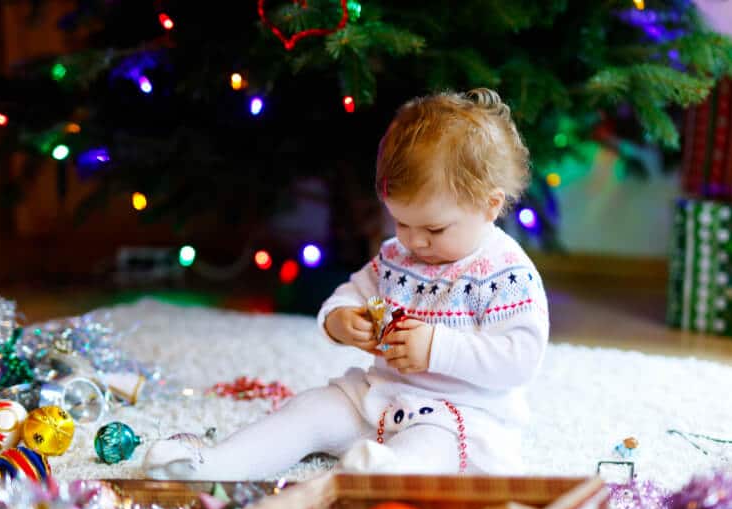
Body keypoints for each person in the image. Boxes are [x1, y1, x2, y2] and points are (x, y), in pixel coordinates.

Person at [143, 88, 549, 479]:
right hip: (378, 395)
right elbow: (356, 289)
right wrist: (339, 319)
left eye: (434, 228)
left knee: (431, 449)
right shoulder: (398, 255)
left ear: (490, 206)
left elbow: (519, 358)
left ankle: (386, 473)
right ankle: (216, 464)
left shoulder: (504, 273)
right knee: (309, 410)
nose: (415, 240)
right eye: (401, 222)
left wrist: (438, 349)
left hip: (458, 414)